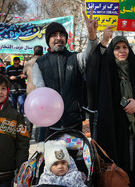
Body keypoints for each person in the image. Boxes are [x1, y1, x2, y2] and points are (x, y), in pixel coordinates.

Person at [86, 27, 135, 186]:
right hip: (114, 130)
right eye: (117, 48)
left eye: (125, 47)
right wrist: (103, 41)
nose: (122, 51)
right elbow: (92, 68)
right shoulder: (107, 70)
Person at [33, 9, 99, 140]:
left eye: (62, 34)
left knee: (74, 160)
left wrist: (92, 35)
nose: (58, 38)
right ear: (48, 39)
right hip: (49, 126)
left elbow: (90, 54)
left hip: (73, 124)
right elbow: (41, 94)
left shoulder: (75, 58)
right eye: (54, 35)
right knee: (53, 160)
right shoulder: (39, 63)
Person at [23, 45, 43, 139]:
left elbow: (24, 74)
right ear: (42, 53)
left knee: (30, 112)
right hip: (42, 92)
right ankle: (38, 135)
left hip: (30, 91)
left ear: (34, 53)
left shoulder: (28, 63)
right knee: (41, 112)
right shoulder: (46, 61)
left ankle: (29, 133)